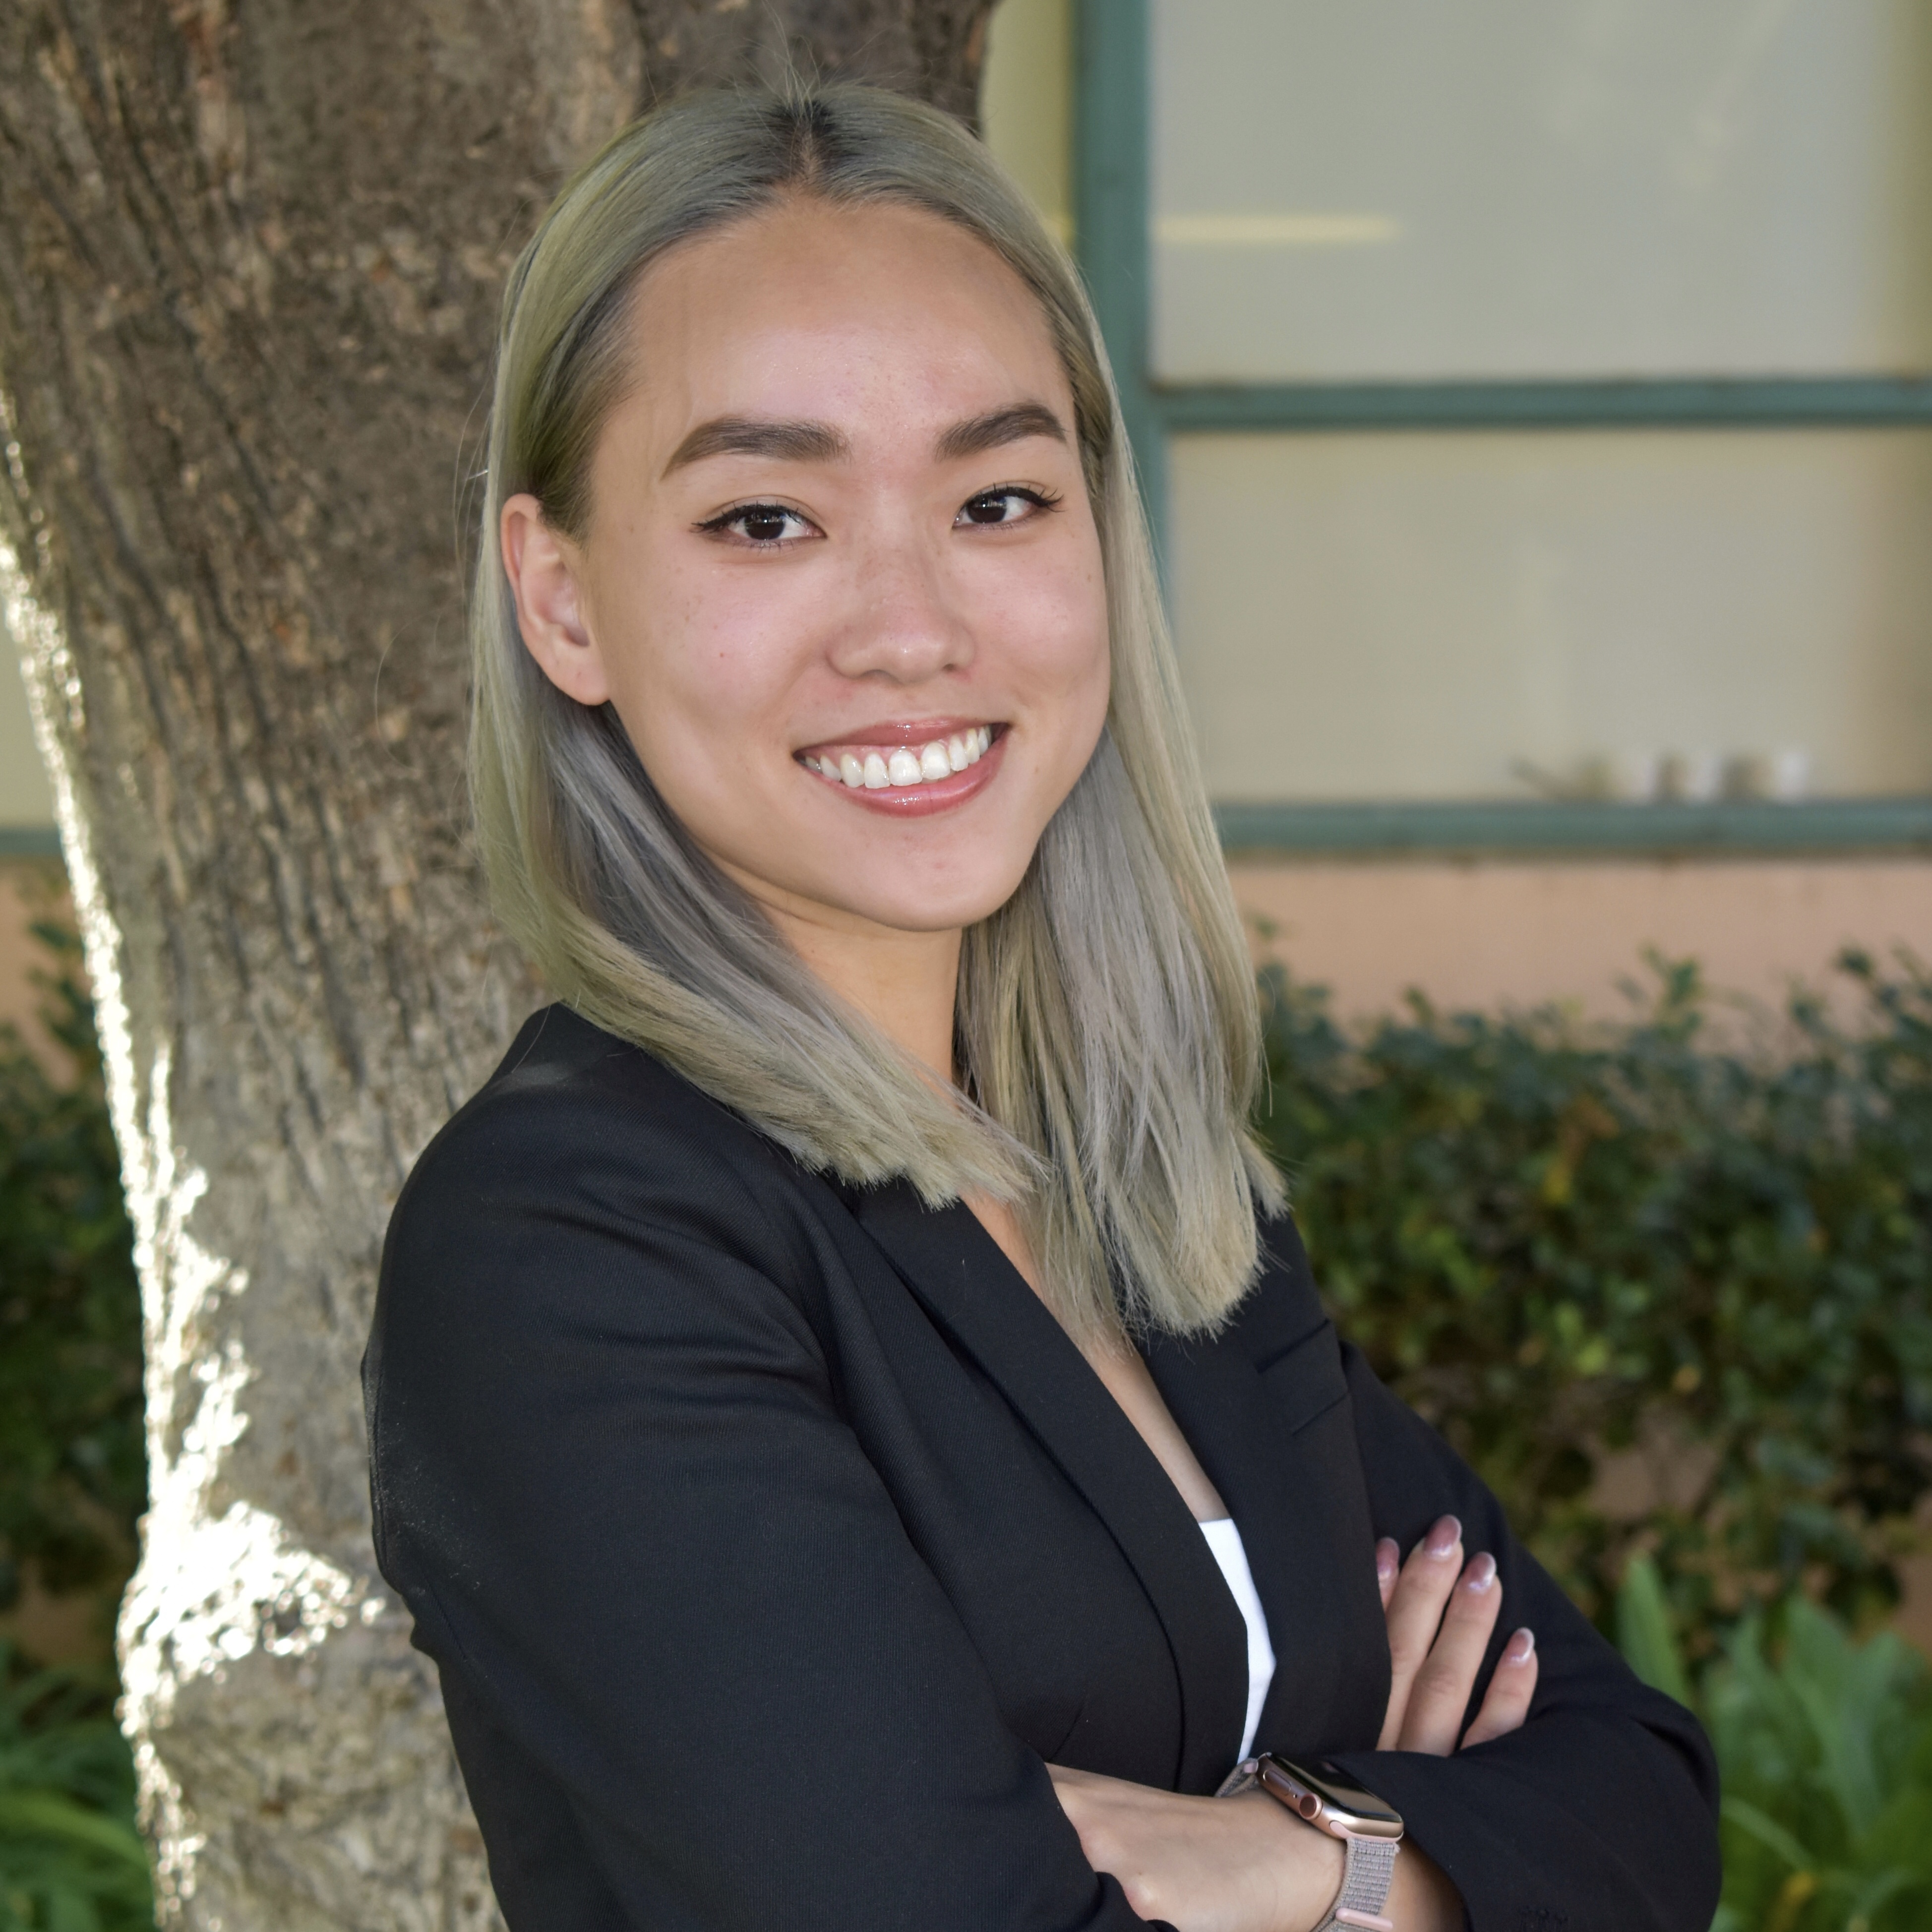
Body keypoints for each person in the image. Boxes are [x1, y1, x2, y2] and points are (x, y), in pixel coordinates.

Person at [362, 82, 1721, 1932]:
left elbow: (1637, 1796)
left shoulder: (1152, 1190)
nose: (914, 628)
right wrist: (1415, 1853)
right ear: (563, 598)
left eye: (998, 499)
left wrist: (1296, 1864)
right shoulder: (576, 1249)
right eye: (767, 521)